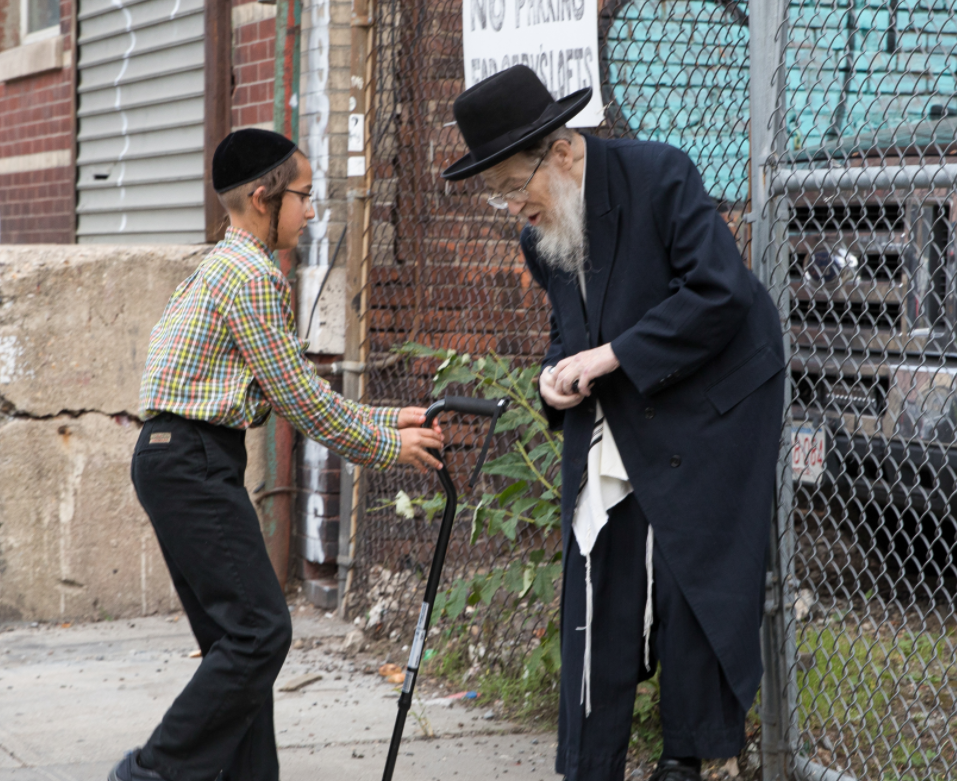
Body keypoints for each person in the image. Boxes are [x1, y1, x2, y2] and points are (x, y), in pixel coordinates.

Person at [442, 66, 785, 781]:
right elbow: (566, 332)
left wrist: (611, 355)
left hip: (718, 396)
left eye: (512, 186)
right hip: (625, 397)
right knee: (602, 569)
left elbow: (719, 291)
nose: (511, 207)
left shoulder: (661, 174)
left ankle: (686, 756)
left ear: (560, 153)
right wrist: (551, 374)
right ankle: (589, 763)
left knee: (693, 572)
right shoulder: (540, 233)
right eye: (497, 194)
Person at [110, 128, 444, 781]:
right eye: (304, 195)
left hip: (174, 457)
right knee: (260, 633)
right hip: (193, 461)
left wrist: (382, 415)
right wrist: (387, 444)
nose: (312, 210)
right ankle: (148, 773)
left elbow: (289, 388)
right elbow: (299, 401)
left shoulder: (217, 264)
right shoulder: (252, 277)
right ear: (264, 197)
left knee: (236, 649)